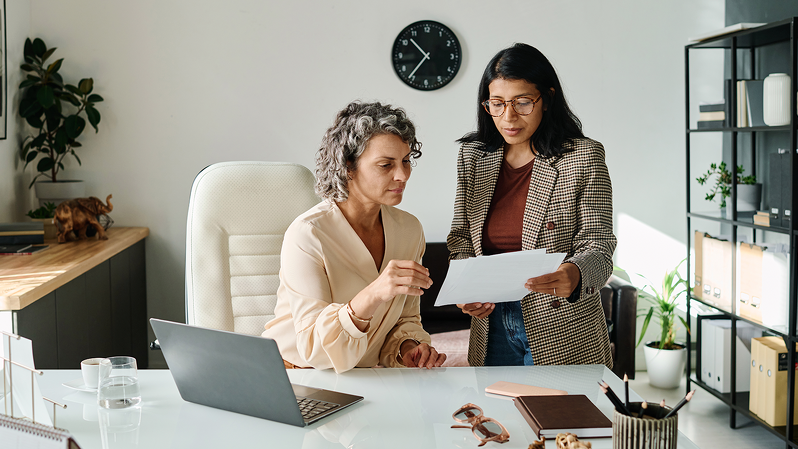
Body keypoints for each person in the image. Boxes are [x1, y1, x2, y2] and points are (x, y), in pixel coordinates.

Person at [448, 43, 616, 367]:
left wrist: (575, 273)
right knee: (496, 417)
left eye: (522, 102)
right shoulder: (474, 157)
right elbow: (461, 240)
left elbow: (599, 243)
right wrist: (466, 288)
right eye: (497, 104)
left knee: (559, 418)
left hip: (563, 326)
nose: (508, 117)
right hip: (492, 325)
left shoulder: (582, 156)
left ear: (547, 99)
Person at [262, 101, 447, 373]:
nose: (402, 175)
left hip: (359, 377)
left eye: (406, 161)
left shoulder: (409, 230)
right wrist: (373, 293)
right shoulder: (308, 234)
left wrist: (408, 346)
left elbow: (405, 319)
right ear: (348, 166)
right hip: (292, 374)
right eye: (386, 165)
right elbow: (314, 349)